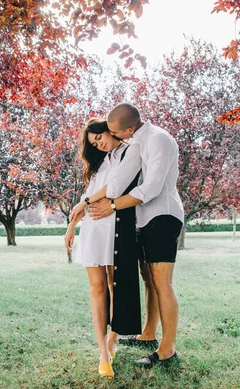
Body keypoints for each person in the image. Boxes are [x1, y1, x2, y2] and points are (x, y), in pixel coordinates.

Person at [70, 103, 184, 368]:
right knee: (149, 277)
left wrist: (112, 206)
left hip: (162, 215)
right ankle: (148, 335)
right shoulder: (136, 143)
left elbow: (152, 187)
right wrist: (86, 203)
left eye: (113, 132)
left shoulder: (158, 140)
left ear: (129, 129)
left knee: (162, 281)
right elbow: (119, 182)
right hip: (143, 217)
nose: (111, 137)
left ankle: (167, 351)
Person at [64, 118, 141, 379]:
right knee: (97, 287)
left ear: (110, 129)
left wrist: (86, 200)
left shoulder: (130, 152)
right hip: (94, 230)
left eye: (100, 139)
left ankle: (114, 339)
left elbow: (115, 187)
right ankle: (103, 352)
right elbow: (91, 193)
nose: (100, 145)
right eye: (95, 144)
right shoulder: (100, 163)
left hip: (116, 225)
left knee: (113, 285)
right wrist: (72, 225)